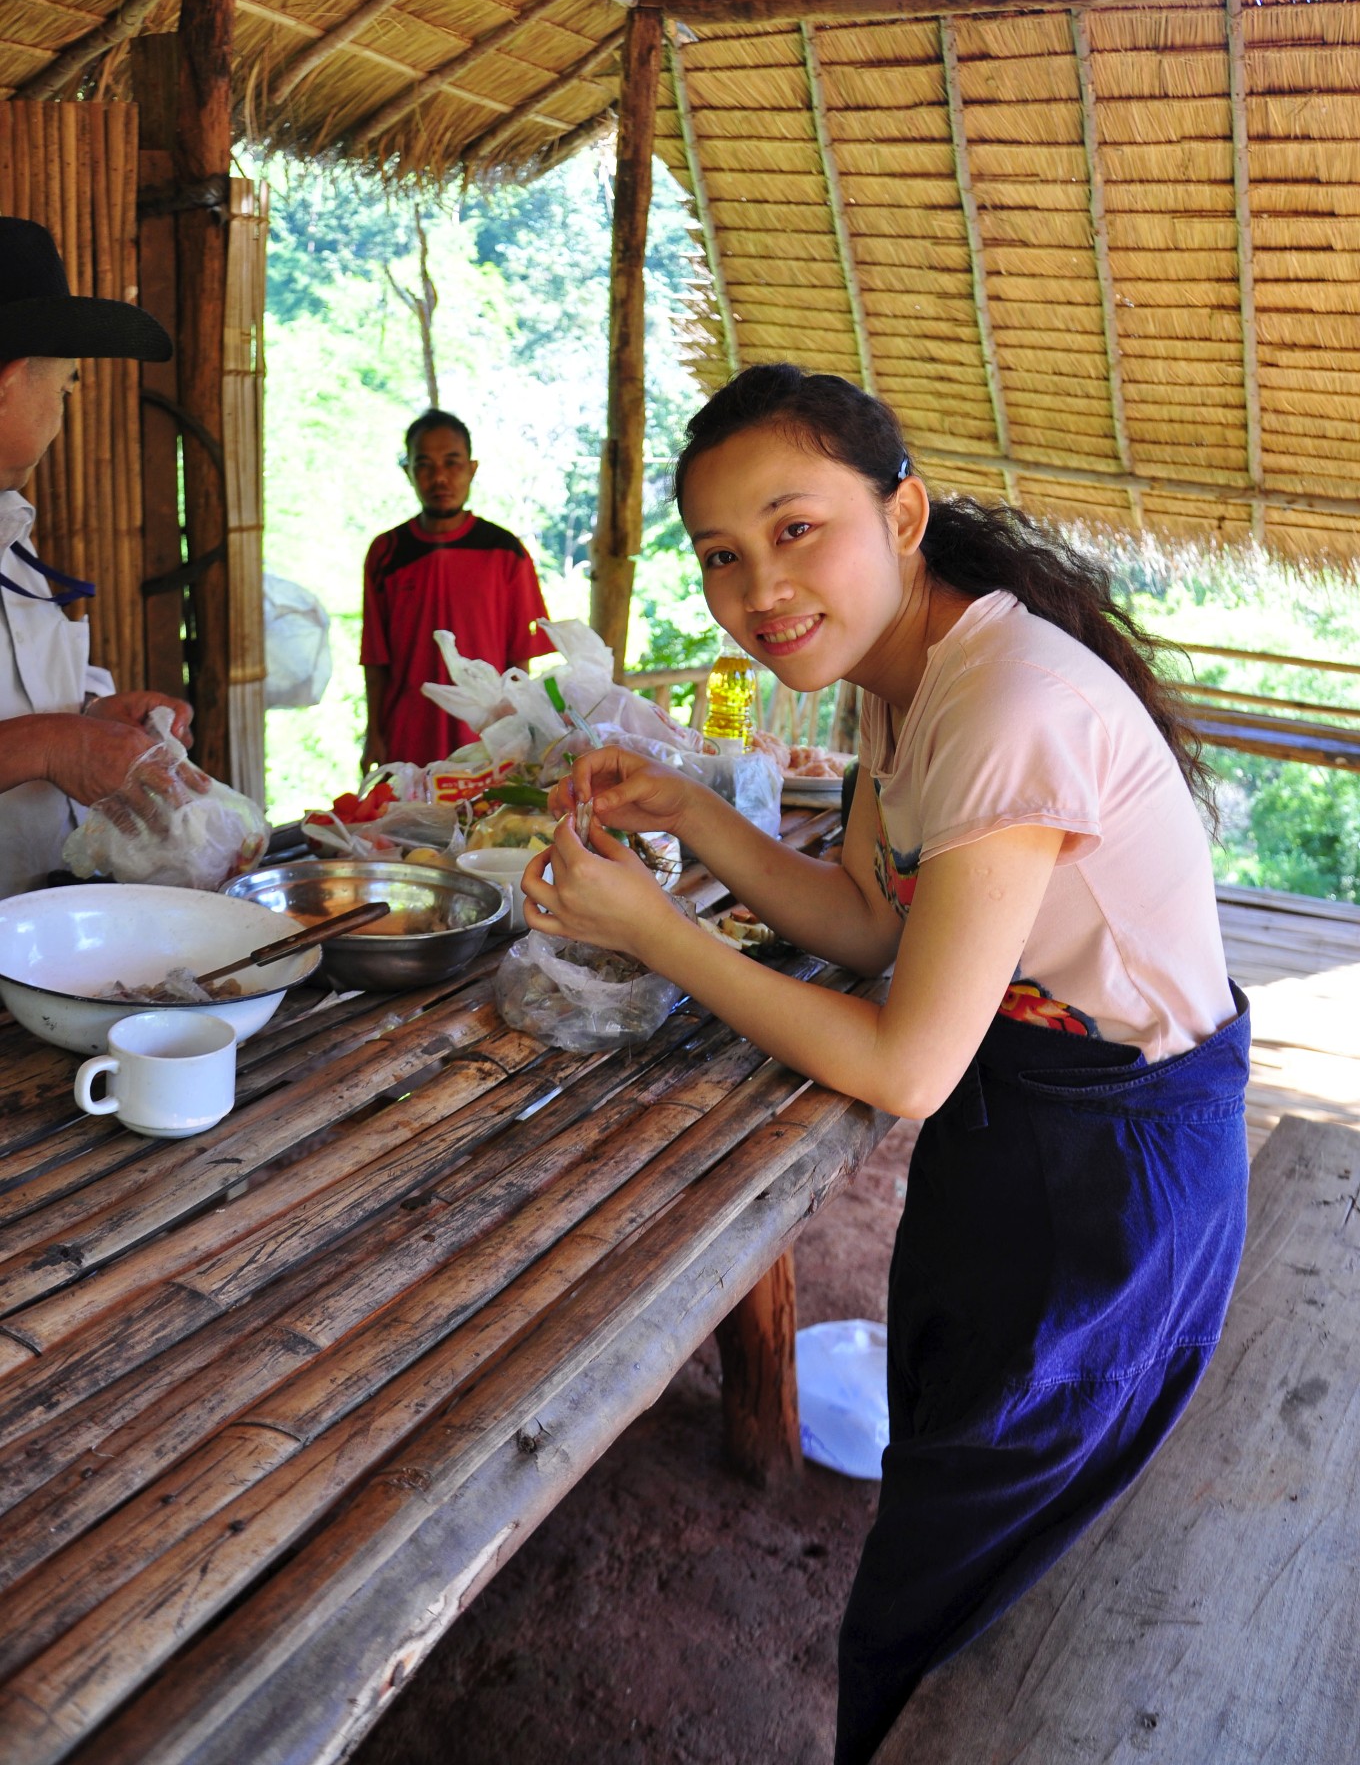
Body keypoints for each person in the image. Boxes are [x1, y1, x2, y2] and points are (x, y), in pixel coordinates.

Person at [521, 363, 1249, 1764]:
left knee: (963, 1604)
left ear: (901, 513)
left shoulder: (1007, 704)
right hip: (1025, 1132)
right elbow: (868, 921)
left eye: (797, 530)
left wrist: (660, 930)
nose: (758, 590)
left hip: (1110, 1181)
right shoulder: (904, 676)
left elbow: (906, 1065)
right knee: (949, 1498)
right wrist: (691, 815)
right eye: (724, 557)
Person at [0, 217, 194, 900]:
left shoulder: (12, 539)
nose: (65, 404)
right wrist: (50, 745)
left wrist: (91, 716)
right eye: (66, 383)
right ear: (11, 381)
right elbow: (31, 740)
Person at [360, 407, 549, 769]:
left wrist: (520, 735)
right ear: (408, 472)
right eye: (425, 465)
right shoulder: (386, 553)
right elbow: (375, 658)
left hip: (487, 743)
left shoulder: (505, 552)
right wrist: (375, 736)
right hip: (407, 738)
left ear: (472, 468)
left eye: (452, 463)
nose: (440, 478)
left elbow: (519, 662)